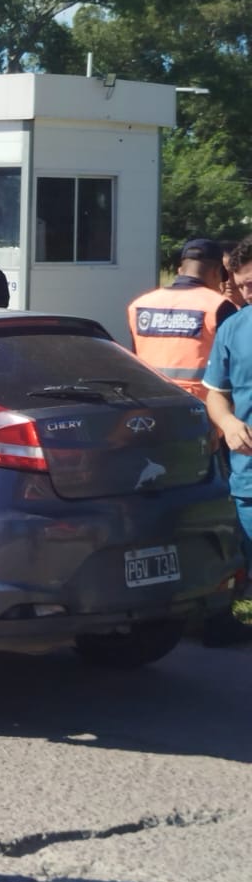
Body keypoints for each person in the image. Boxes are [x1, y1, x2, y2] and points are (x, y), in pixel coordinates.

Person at [199, 234, 252, 644]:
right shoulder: (234, 327)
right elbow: (216, 393)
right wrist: (228, 423)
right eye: (244, 284)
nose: (249, 292)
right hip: (247, 478)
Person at [127, 237, 236, 399]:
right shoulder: (219, 306)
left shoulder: (139, 305)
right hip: (201, 406)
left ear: (181, 270)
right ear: (216, 272)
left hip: (150, 401)